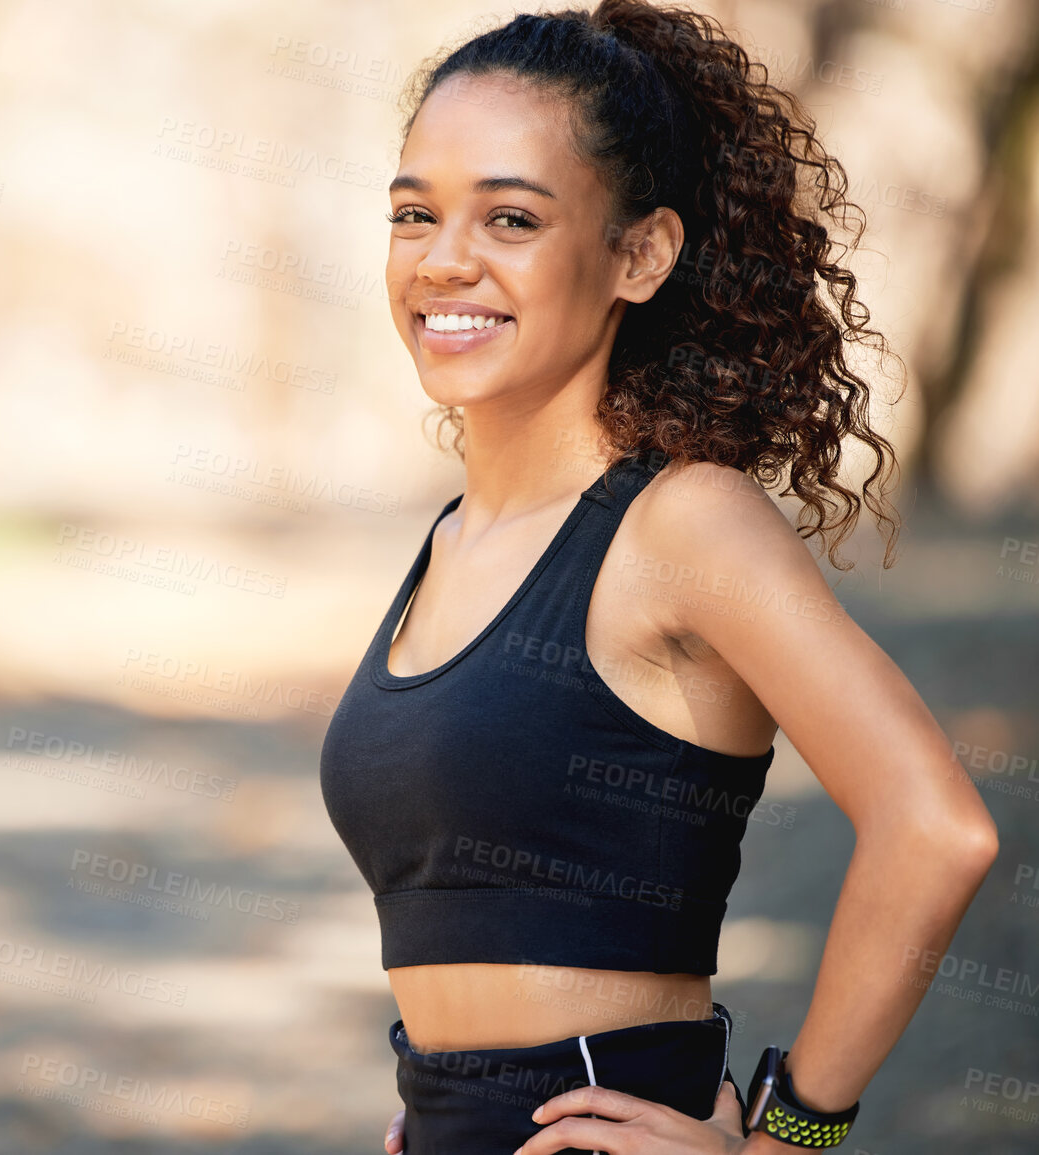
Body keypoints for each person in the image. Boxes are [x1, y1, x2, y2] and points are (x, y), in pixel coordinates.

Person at [315, 3, 1001, 1153]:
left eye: (512, 218)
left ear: (642, 254)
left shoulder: (684, 524)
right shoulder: (453, 541)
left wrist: (790, 1141)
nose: (444, 258)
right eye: (415, 214)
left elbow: (936, 825)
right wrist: (440, 1104)